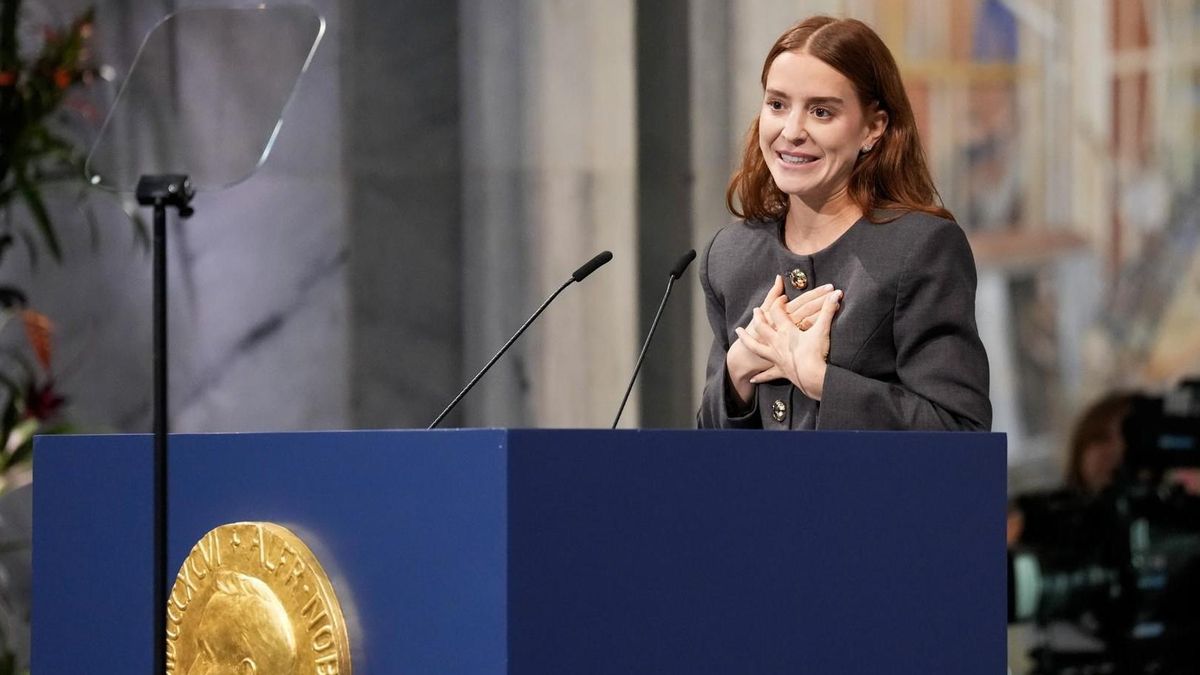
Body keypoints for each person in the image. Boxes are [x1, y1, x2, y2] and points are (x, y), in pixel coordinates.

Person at [697, 16, 991, 430]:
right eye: (777, 104)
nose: (792, 131)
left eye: (821, 111)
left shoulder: (921, 248)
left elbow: (960, 432)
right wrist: (738, 371)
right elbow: (706, 454)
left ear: (873, 128)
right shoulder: (730, 255)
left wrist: (820, 381)